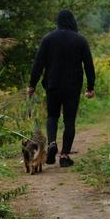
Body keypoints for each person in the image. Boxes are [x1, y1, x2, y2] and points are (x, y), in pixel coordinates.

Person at [27, 9, 95, 167]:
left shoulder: (48, 39)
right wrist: (90, 87)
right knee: (69, 120)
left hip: (53, 85)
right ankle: (64, 156)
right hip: (72, 87)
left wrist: (32, 84)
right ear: (72, 21)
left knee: (52, 116)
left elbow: (38, 64)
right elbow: (89, 66)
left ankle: (52, 144)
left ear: (58, 21)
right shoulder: (80, 40)